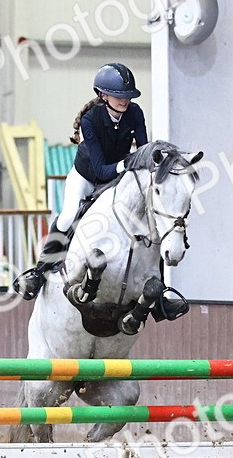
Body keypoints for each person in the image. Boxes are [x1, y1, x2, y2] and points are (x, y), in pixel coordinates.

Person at [13, 62, 148, 300]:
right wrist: (126, 164)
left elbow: (144, 149)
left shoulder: (135, 113)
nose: (124, 100)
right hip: (87, 177)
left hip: (116, 179)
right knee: (67, 217)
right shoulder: (90, 120)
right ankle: (39, 271)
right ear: (103, 95)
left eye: (127, 95)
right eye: (118, 95)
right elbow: (99, 169)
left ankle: (157, 288)